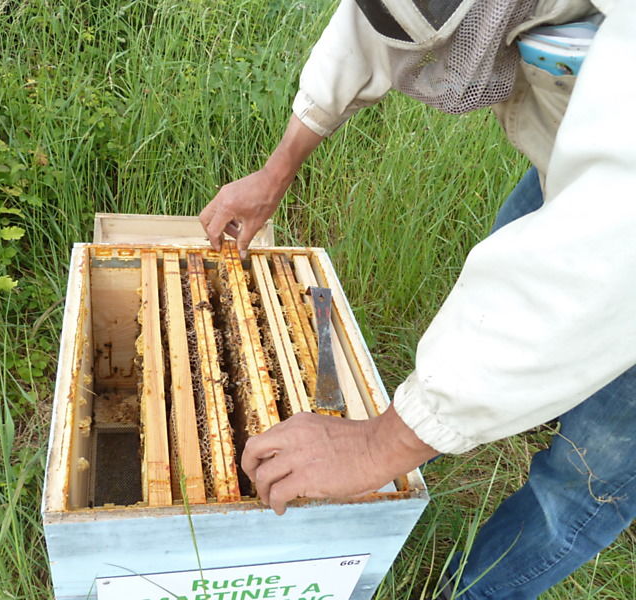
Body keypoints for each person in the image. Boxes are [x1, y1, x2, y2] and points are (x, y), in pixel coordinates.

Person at [199, 0, 635, 598]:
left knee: (586, 477)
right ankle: (381, 494)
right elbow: (373, 25)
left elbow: (602, 263)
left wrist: (381, 444)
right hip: (573, 161)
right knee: (486, 310)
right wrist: (274, 173)